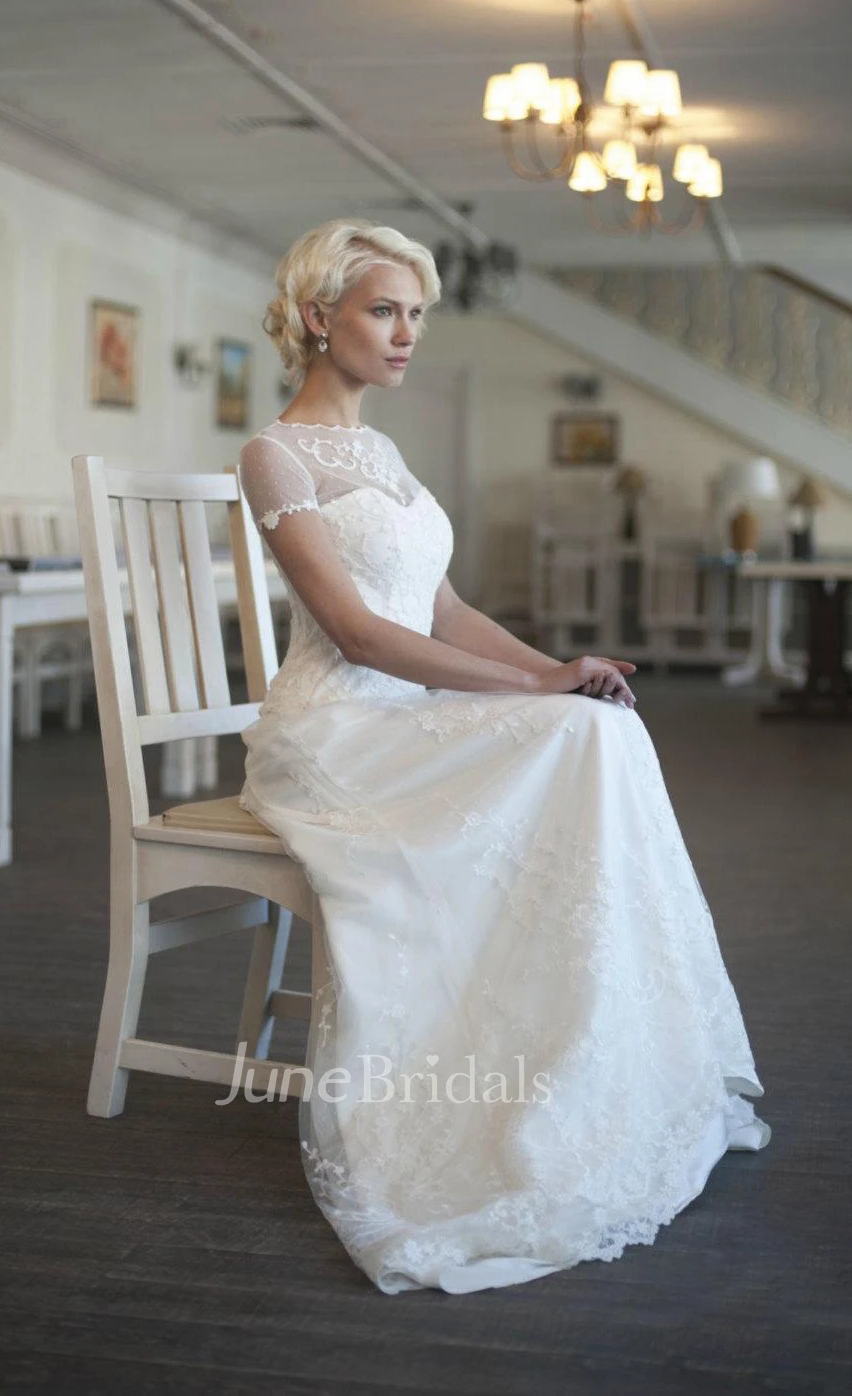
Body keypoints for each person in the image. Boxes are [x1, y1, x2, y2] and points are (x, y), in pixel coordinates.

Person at [235, 218, 771, 1296]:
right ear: (314, 318)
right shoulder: (272, 453)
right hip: (335, 728)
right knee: (569, 729)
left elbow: (439, 607)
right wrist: (533, 691)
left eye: (416, 315)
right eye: (384, 310)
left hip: (405, 710)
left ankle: (589, 1055)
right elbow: (358, 634)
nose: (405, 334)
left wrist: (556, 666)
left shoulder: (381, 454)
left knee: (599, 722)